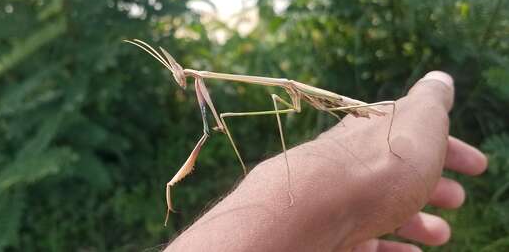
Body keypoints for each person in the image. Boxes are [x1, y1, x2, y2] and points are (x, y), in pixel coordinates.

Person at [164, 71, 488, 251]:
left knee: (264, 113)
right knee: (234, 117)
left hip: (362, 108)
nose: (183, 79)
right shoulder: (207, 87)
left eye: (184, 75)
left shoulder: (287, 87)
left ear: (197, 77)